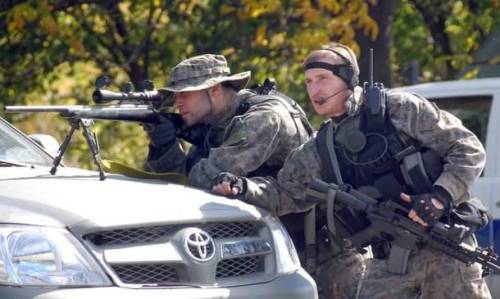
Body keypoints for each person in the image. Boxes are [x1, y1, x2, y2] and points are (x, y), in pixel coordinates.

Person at [211, 43, 491, 298]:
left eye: (323, 79)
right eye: (309, 82)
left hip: (444, 251)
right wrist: (243, 188)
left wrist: (440, 196)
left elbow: (467, 147)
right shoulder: (320, 147)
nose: (314, 90)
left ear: (348, 79)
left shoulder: (399, 109)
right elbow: (285, 193)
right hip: (387, 262)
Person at [145, 54, 312, 190]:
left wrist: (168, 147)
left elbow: (200, 184)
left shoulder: (262, 118)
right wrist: (163, 147)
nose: (177, 102)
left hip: (293, 228)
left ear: (215, 90)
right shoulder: (214, 125)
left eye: (185, 94)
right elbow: (182, 183)